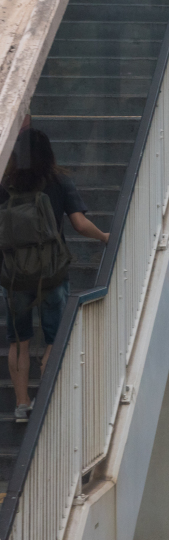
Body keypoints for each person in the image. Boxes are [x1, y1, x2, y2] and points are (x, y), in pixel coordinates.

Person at [1, 129, 109, 422]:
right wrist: (105, 237)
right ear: (48, 152)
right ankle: (48, 398)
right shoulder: (59, 181)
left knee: (18, 341)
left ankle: (22, 403)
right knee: (55, 337)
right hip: (51, 272)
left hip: (13, 276)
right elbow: (79, 223)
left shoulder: (5, 183)